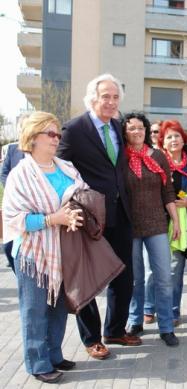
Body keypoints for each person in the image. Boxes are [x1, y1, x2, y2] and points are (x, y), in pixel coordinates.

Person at [58, 74, 140, 360]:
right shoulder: (74, 129)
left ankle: (115, 329)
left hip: (120, 212)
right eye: (105, 96)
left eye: (115, 97)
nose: (111, 102)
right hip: (89, 215)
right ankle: (91, 338)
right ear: (92, 97)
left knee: (123, 274)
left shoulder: (118, 126)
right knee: (88, 276)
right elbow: (58, 167)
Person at [3, 112, 86, 383]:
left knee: (59, 307)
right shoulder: (20, 175)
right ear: (33, 137)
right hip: (33, 254)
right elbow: (14, 218)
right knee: (35, 310)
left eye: (57, 134)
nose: (56, 139)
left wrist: (75, 213)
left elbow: (81, 194)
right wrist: (53, 219)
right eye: (50, 134)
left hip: (64, 249)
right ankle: (38, 363)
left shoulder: (66, 167)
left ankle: (54, 354)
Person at [120, 112, 180, 347]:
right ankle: (135, 320)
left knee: (164, 277)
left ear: (146, 131)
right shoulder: (120, 158)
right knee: (135, 279)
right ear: (125, 131)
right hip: (130, 227)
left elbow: (168, 191)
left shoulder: (158, 156)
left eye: (141, 128)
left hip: (157, 224)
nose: (137, 132)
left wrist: (175, 220)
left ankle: (166, 326)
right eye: (131, 128)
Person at [143, 120, 187, 327]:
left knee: (175, 269)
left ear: (183, 139)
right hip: (156, 222)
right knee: (151, 270)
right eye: (168, 137)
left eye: (177, 136)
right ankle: (149, 307)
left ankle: (173, 310)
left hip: (181, 224)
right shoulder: (155, 161)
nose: (173, 140)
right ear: (162, 142)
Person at [1, 141, 25, 272]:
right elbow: (4, 172)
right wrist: (11, 188)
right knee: (8, 246)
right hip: (14, 203)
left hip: (30, 207)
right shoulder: (12, 149)